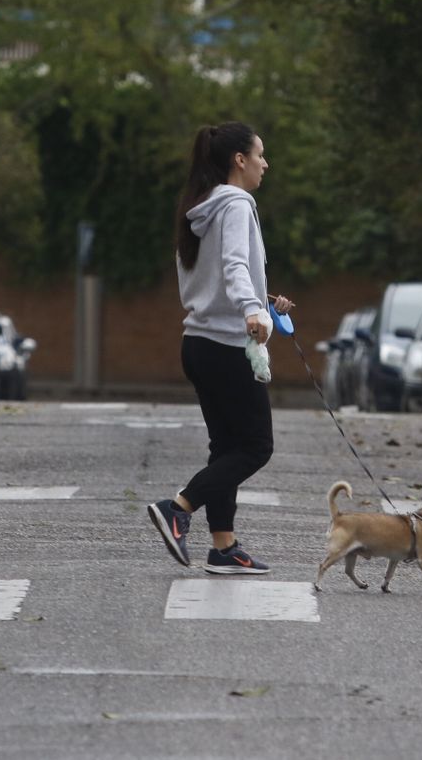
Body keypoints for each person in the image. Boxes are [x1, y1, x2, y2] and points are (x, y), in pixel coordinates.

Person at [147, 122, 293, 575]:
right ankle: (178, 507)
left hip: (199, 342)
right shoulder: (235, 203)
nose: (265, 164)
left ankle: (223, 546)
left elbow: (211, 276)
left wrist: (262, 299)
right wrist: (252, 310)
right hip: (228, 346)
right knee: (255, 446)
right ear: (239, 160)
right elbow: (232, 263)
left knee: (226, 446)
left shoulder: (200, 205)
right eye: (260, 155)